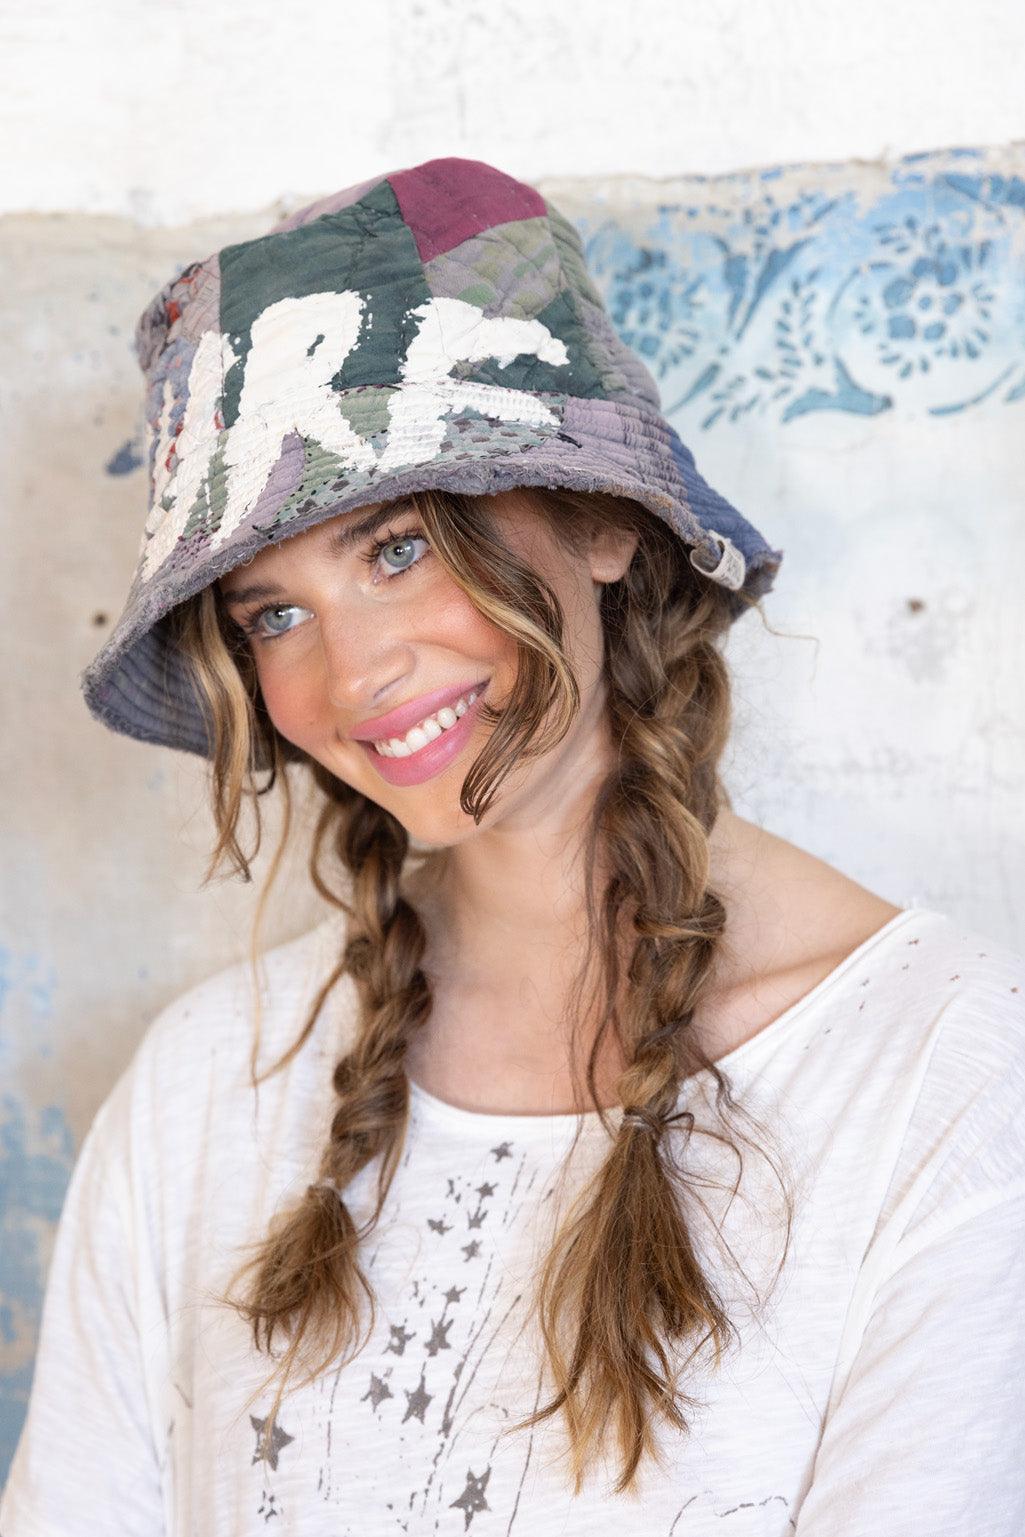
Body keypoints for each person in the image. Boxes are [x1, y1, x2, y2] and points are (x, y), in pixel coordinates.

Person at [2, 156, 1023, 1536]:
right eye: (272, 614)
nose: (354, 673)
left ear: (600, 519)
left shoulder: (940, 1075)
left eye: (398, 547)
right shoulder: (202, 1085)